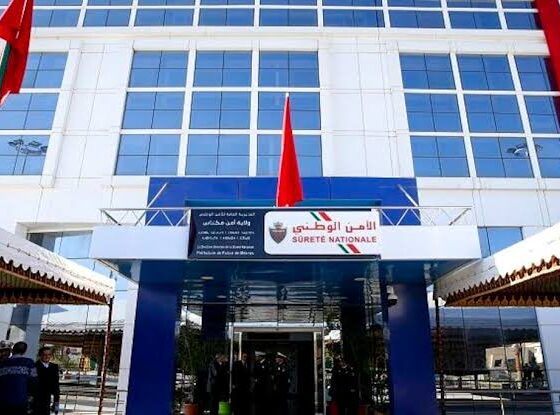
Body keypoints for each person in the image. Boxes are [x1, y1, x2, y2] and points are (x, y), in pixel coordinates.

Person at [0, 341, 38, 415]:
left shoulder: (3, 363)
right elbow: (34, 381)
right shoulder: (29, 363)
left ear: (12, 350)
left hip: (3, 401)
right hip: (21, 400)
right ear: (25, 351)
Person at [34, 346, 60, 415]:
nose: (47, 356)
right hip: (35, 398)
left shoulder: (54, 367)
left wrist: (56, 403)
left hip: (47, 399)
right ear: (40, 355)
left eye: (49, 354)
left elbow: (56, 385)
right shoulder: (35, 366)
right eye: (44, 354)